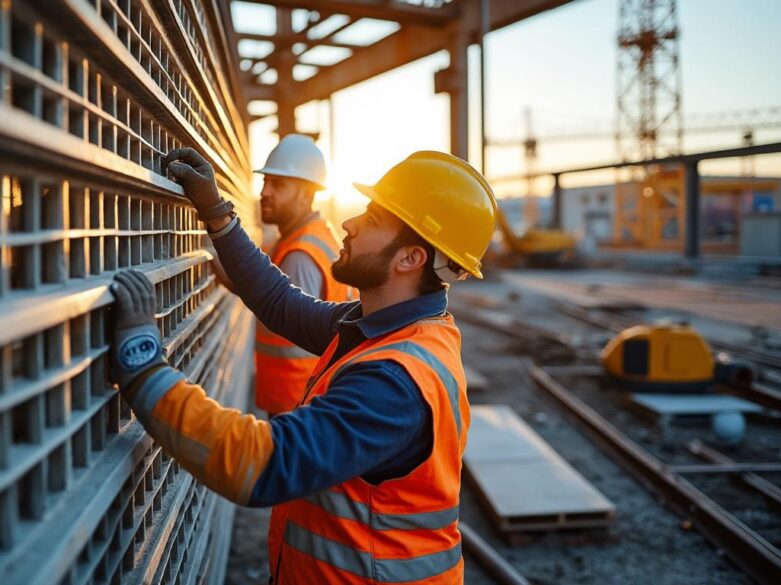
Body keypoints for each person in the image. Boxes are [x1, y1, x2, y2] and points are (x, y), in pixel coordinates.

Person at [108, 148, 497, 584]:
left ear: (410, 258)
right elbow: (281, 302)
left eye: (371, 220)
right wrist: (217, 213)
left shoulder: (394, 382)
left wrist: (142, 367)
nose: (348, 224)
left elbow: (264, 465)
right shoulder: (381, 328)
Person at [250, 134, 350, 415]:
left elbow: (277, 309)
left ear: (306, 194)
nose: (265, 192)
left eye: (278, 185)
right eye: (265, 181)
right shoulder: (304, 237)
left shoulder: (301, 255)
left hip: (297, 405)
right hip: (298, 401)